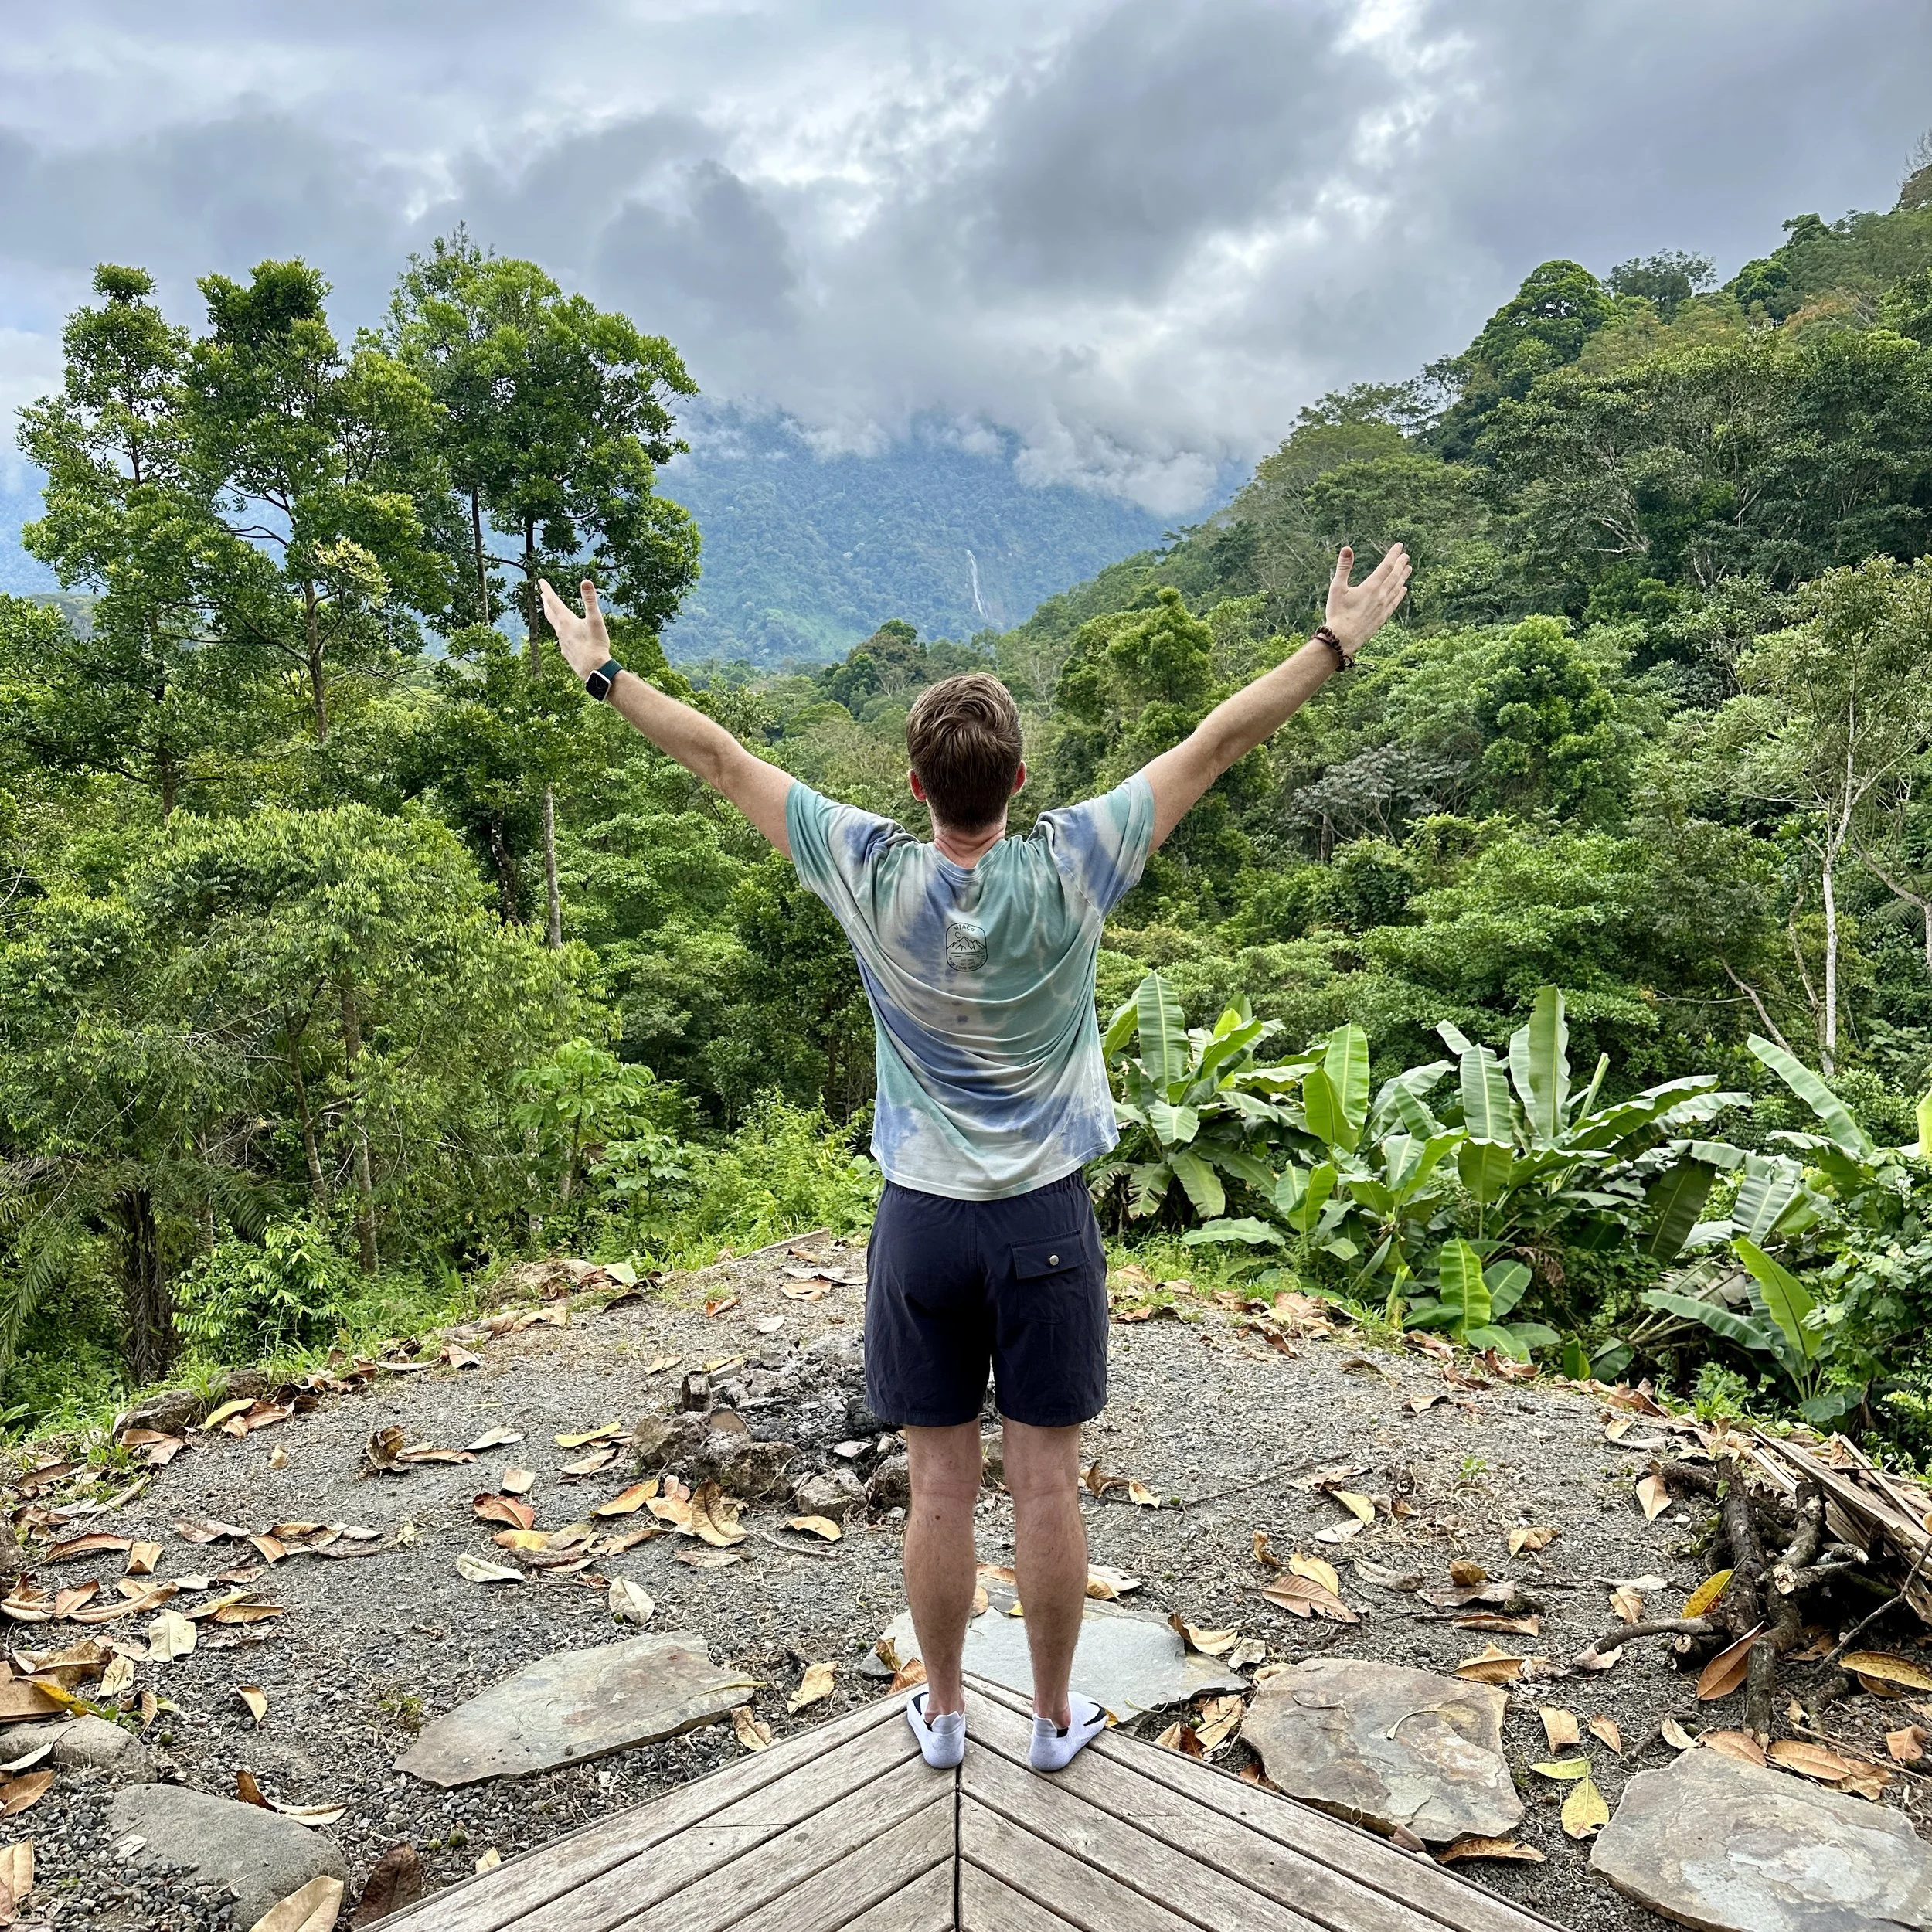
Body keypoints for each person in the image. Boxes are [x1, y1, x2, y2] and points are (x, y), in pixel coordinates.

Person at [539, 541, 1410, 1774]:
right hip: (1044, 1217)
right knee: (1047, 1483)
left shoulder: (866, 868)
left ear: (913, 784)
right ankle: (1052, 1722)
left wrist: (603, 672)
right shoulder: (1076, 860)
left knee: (938, 1482)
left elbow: (721, 758)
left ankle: (945, 1715)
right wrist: (1332, 643)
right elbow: (1217, 742)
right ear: (1018, 777)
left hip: (922, 1225)